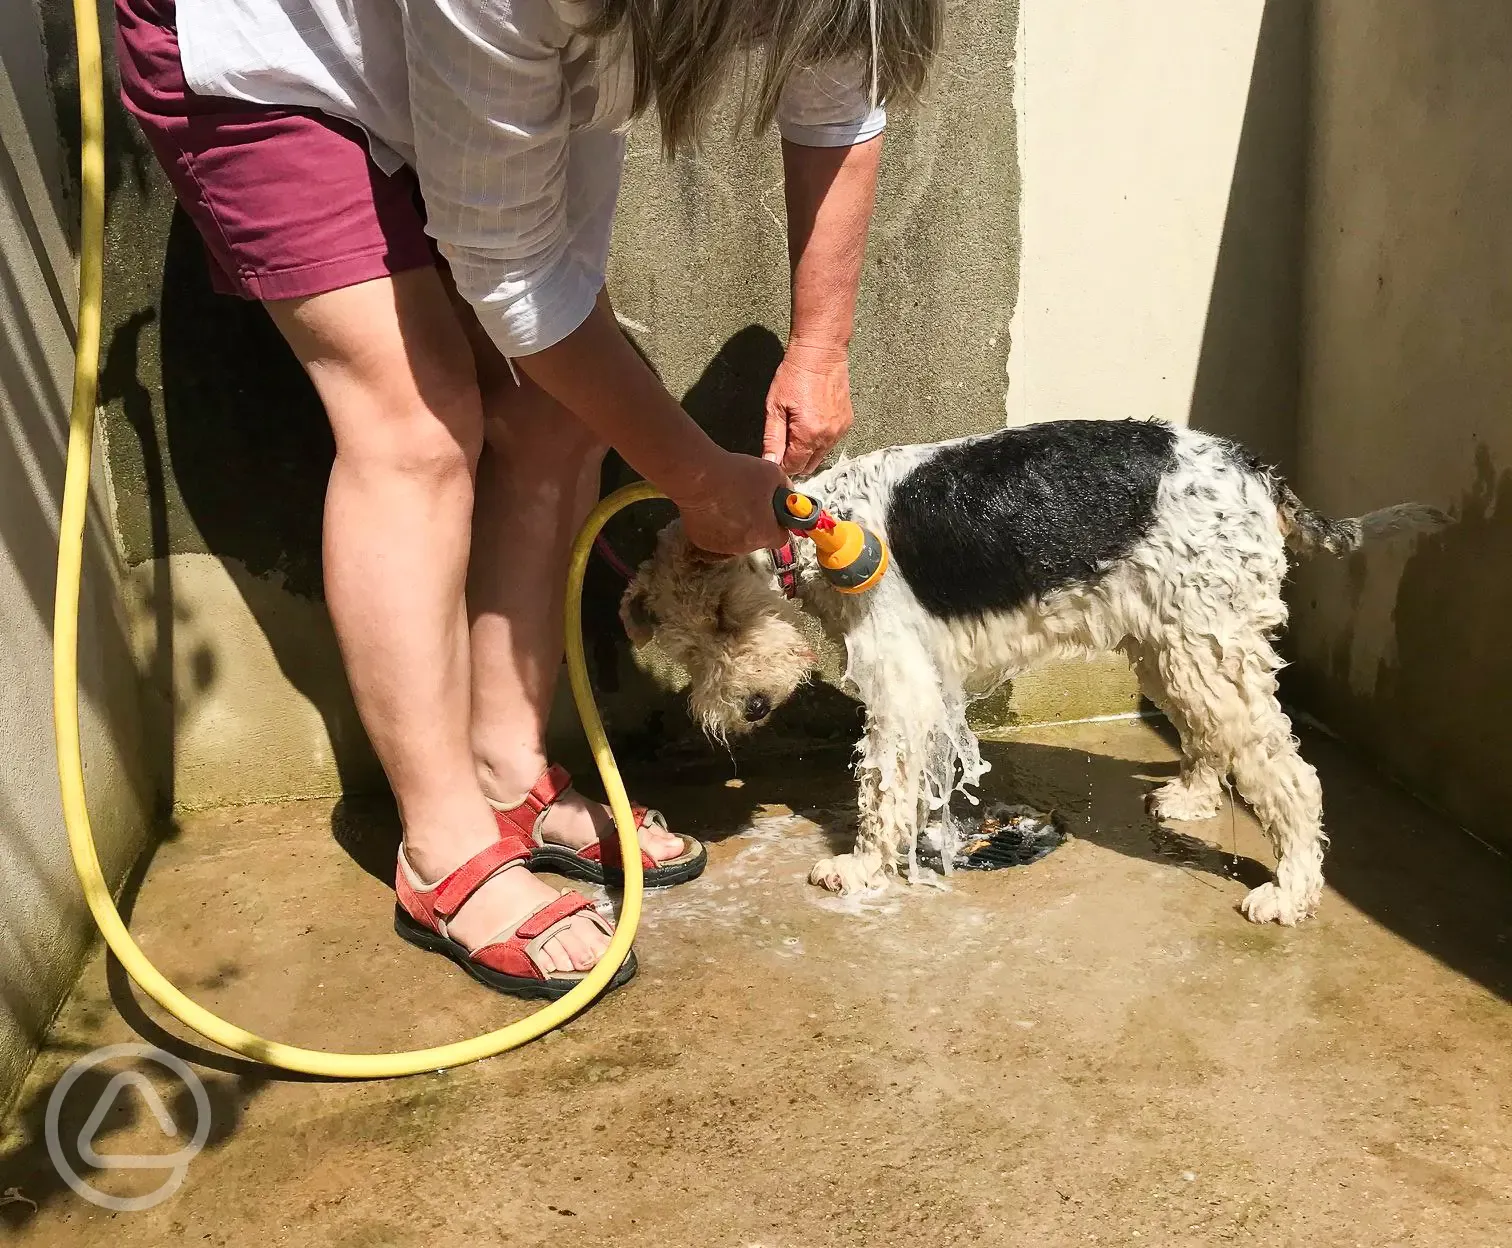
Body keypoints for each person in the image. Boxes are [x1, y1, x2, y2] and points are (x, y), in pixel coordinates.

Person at [114, 0, 942, 997]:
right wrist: (701, 481)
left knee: (553, 417)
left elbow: (840, 91)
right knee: (415, 424)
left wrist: (819, 346)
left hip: (461, 48)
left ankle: (508, 769)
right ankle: (442, 844)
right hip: (274, 55)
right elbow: (513, 276)